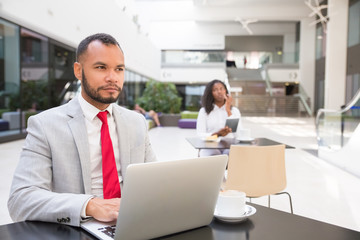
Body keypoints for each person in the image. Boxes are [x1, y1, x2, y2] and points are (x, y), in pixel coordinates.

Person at [7, 33, 156, 227]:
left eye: (119, 69)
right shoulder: (45, 125)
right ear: (78, 70)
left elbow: (153, 182)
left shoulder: (136, 122)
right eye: (101, 67)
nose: (112, 77)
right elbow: (21, 199)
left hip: (132, 224)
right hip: (79, 227)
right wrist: (89, 205)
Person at [196, 79, 242, 157]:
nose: (219, 92)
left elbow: (238, 134)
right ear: (211, 93)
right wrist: (217, 134)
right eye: (215, 90)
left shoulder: (234, 111)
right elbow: (200, 134)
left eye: (221, 89)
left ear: (225, 91)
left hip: (229, 147)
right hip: (210, 147)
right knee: (214, 155)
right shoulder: (204, 111)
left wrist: (228, 110)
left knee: (232, 155)